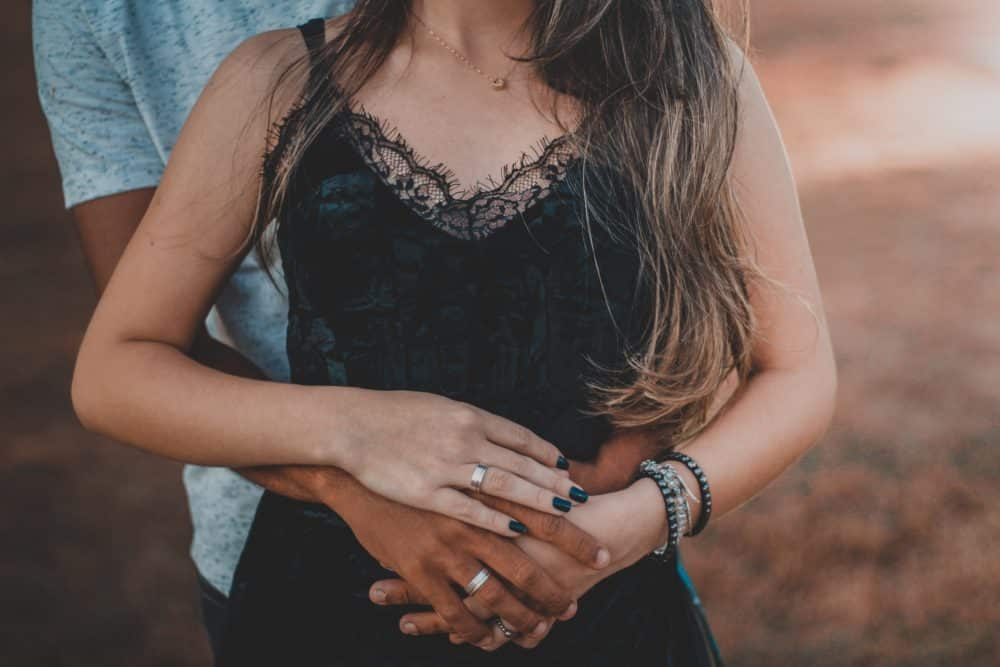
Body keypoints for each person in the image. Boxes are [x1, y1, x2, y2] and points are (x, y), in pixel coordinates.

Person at [67, 0, 838, 664]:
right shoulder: (274, 82)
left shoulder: (692, 79)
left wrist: (630, 525)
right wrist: (355, 431)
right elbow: (116, 368)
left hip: (602, 609)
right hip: (328, 614)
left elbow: (797, 372)